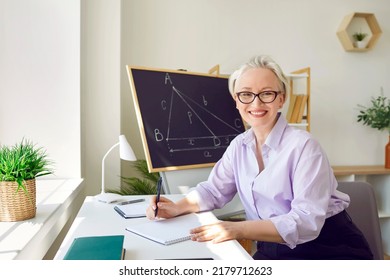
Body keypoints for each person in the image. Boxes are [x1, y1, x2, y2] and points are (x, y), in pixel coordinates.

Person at [146, 55, 373, 260]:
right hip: (272, 247)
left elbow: (306, 222)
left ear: (281, 99)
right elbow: (214, 190)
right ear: (236, 100)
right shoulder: (239, 146)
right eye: (246, 94)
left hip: (328, 249)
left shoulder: (304, 146)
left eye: (266, 93)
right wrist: (177, 207)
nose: (256, 103)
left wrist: (237, 229)